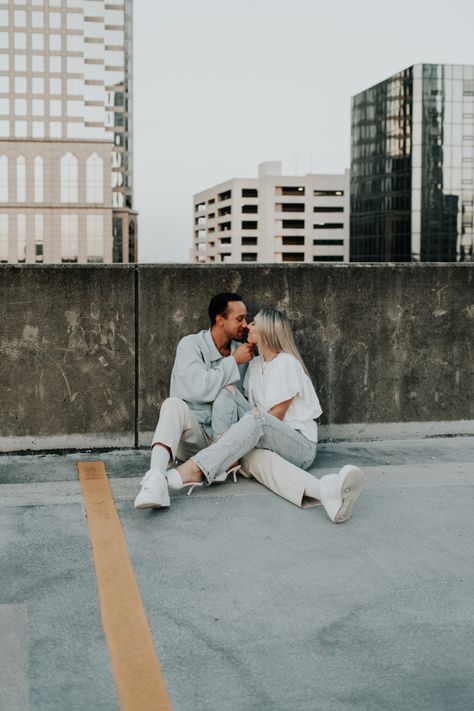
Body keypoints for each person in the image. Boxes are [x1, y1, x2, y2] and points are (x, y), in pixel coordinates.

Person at [166, 308, 365, 524]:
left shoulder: (287, 363)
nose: (247, 326)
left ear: (267, 330)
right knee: (227, 391)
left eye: (252, 323)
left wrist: (241, 438)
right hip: (267, 438)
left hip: (298, 444)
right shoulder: (254, 365)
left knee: (257, 417)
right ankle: (327, 492)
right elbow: (246, 411)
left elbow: (274, 417)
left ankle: (198, 468)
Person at [134, 292, 254, 509]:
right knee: (172, 405)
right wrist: (232, 363)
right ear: (220, 320)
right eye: (239, 319)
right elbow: (199, 389)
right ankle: (155, 480)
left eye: (246, 319)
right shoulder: (191, 345)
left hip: (227, 439)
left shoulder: (244, 353)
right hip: (193, 438)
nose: (245, 324)